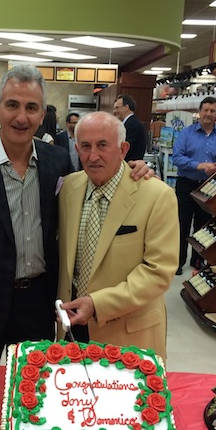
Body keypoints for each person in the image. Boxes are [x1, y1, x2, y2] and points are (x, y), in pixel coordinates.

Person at [0, 65, 153, 365]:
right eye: (12, 105)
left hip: (38, 302)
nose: (22, 117)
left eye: (31, 107)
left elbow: (95, 191)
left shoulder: (56, 161)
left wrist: (133, 171)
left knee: (35, 395)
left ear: (42, 113)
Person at [56, 112, 178, 360]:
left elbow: (158, 271)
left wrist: (97, 304)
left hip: (128, 335)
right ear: (77, 149)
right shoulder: (69, 187)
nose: (93, 156)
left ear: (123, 150)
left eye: (103, 145)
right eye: (86, 147)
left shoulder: (156, 195)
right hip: (72, 328)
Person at [173, 96, 216, 275]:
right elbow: (177, 157)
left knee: (203, 225)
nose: (208, 114)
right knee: (182, 223)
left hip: (210, 186)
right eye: (205, 110)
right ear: (199, 112)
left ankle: (197, 261)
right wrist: (200, 165)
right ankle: (178, 262)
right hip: (186, 184)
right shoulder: (186, 133)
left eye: (212, 111)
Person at [112, 94, 147, 162]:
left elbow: (126, 150)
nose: (114, 112)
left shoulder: (132, 125)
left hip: (130, 168)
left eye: (117, 108)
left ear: (126, 107)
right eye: (114, 109)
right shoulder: (130, 123)